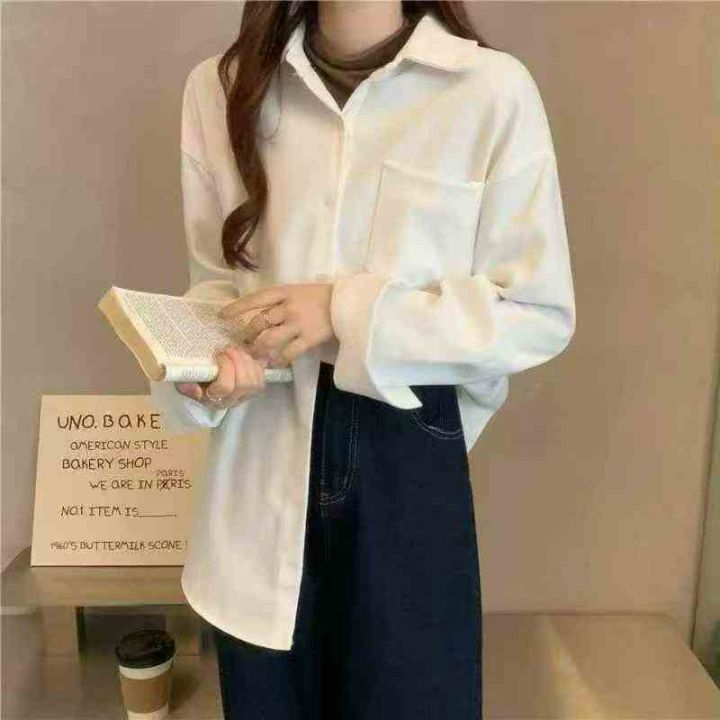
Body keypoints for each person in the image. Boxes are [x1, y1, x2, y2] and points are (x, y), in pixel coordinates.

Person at [148, 1, 576, 718]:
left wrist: (343, 311)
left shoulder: (490, 90)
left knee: (412, 694)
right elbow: (217, 282)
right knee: (269, 694)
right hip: (260, 436)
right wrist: (207, 370)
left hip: (405, 441)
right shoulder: (220, 87)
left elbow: (536, 313)